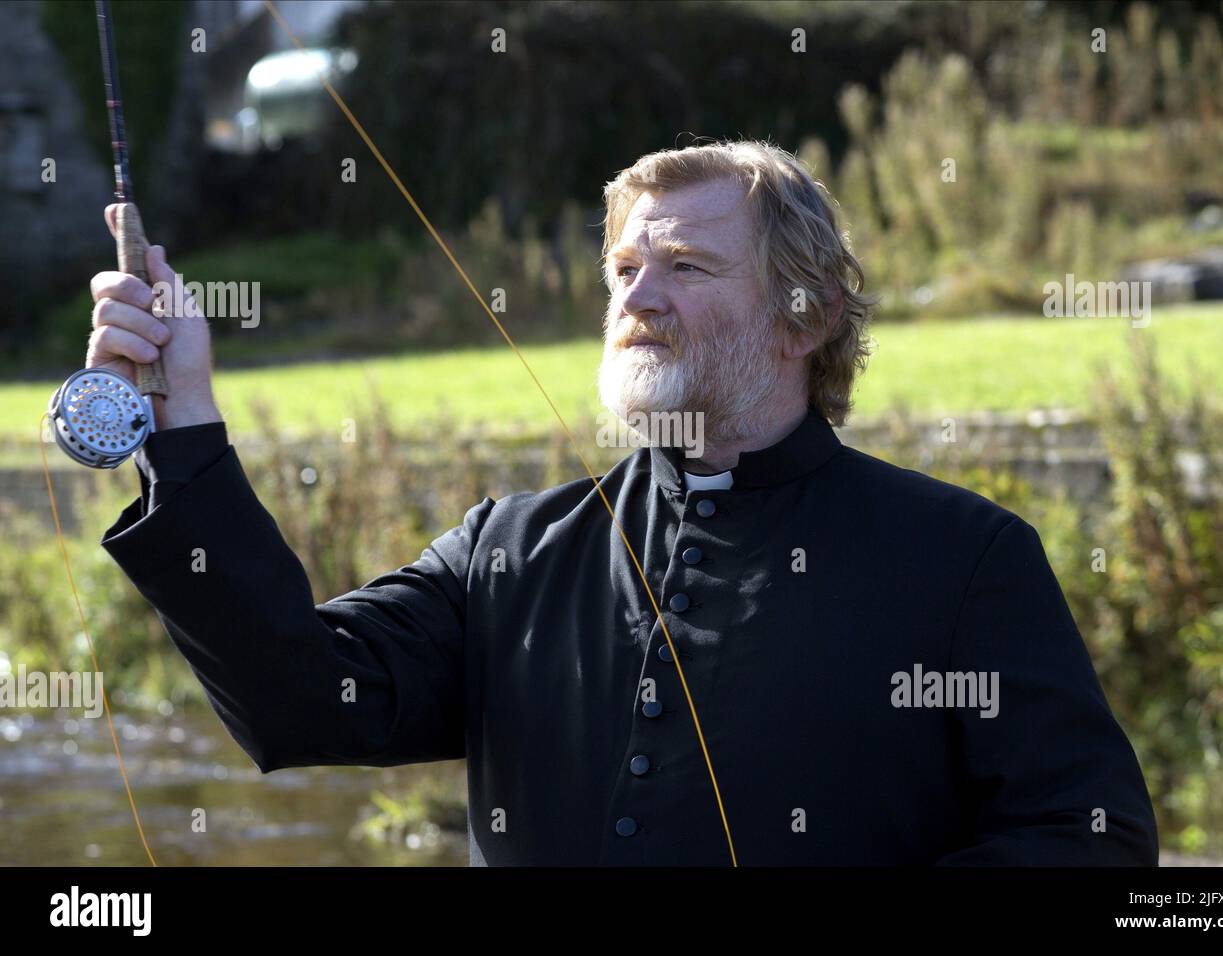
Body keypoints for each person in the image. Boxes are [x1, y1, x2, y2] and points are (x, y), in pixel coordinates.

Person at [91, 140, 1158, 866]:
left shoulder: (963, 558)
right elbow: (300, 699)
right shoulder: (508, 546)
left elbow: (1087, 834)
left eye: (684, 265)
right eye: (622, 268)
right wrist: (183, 417)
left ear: (804, 316)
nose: (635, 299)